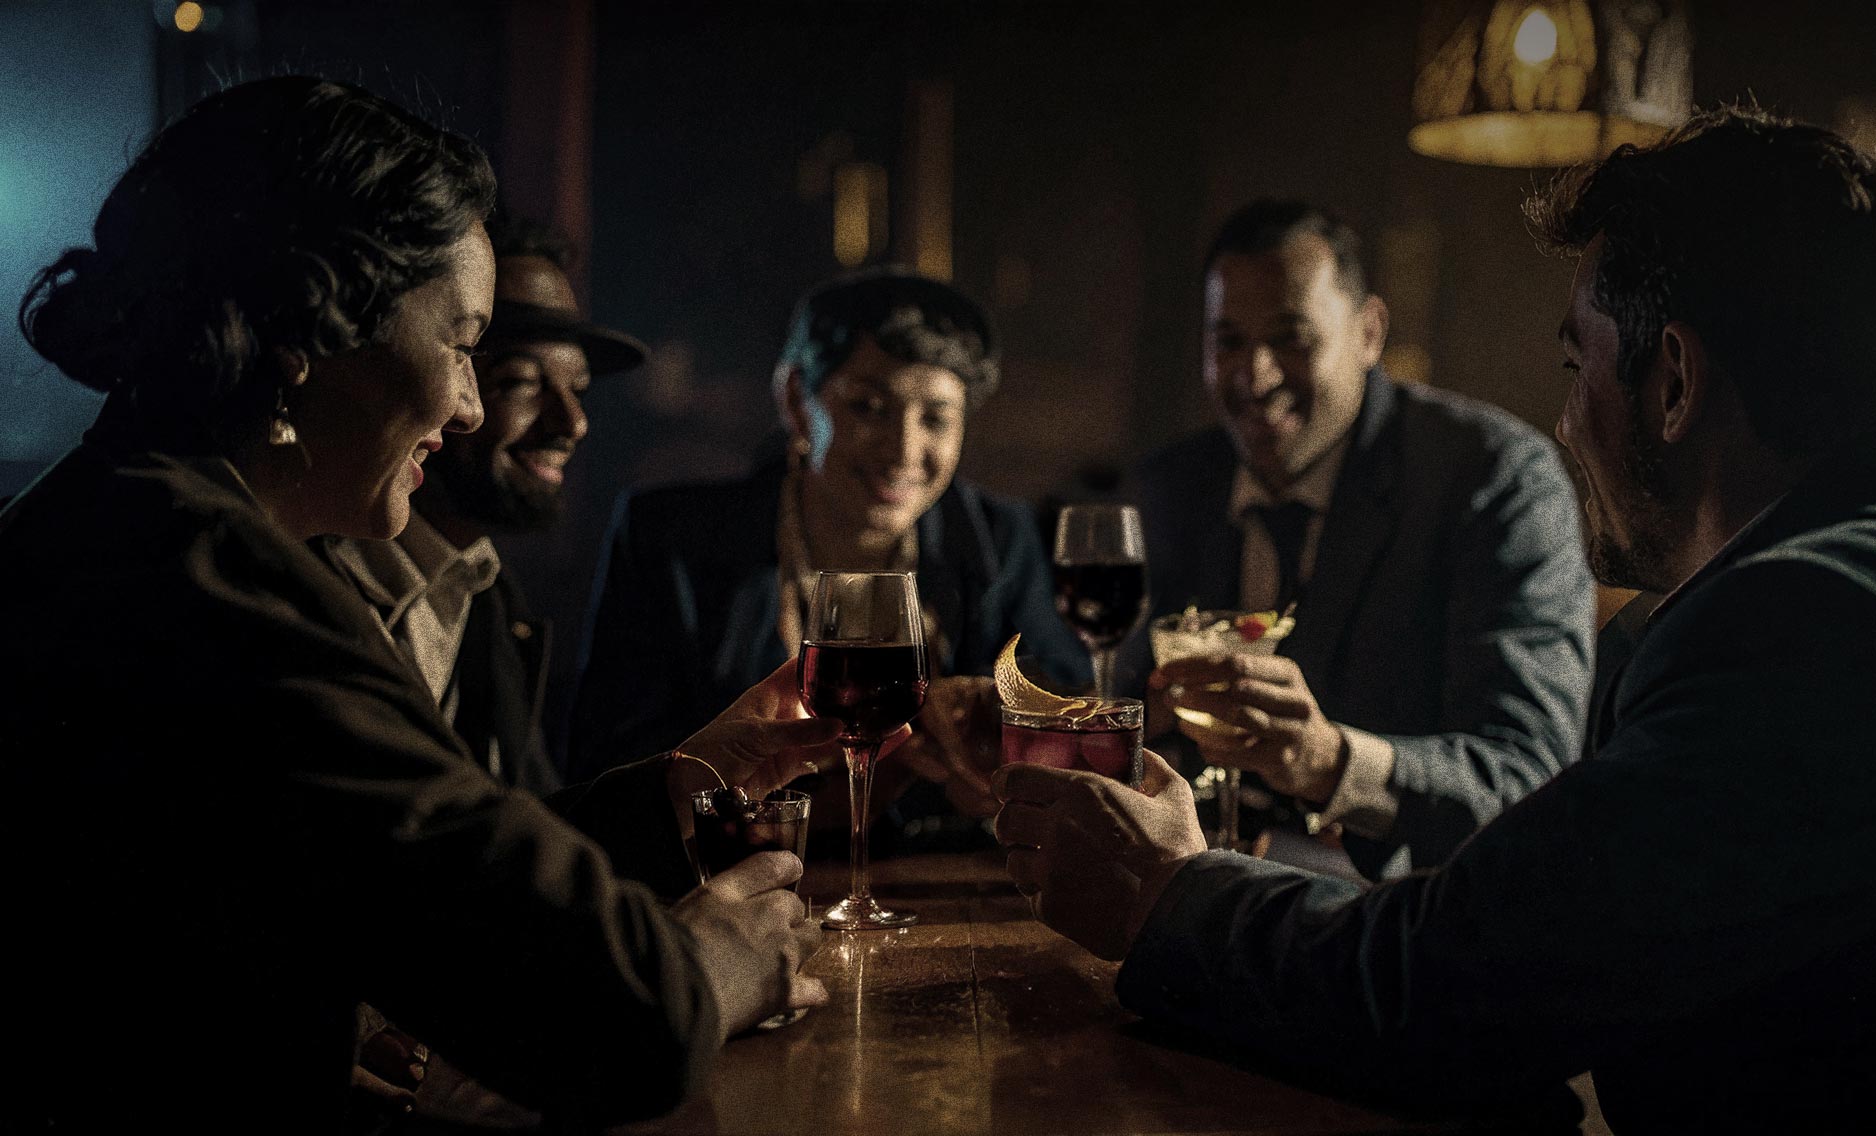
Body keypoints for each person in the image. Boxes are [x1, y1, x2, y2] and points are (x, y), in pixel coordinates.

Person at [995, 107, 1876, 1133]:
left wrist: (1165, 890)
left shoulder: (1800, 625)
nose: (1563, 415)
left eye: (1573, 364)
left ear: (1670, 381)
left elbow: (1447, 987)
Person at [0, 77, 836, 1130]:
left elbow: (411, 867)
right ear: (309, 327)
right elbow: (616, 1024)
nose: (473, 403)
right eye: (459, 340)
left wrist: (674, 789)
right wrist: (717, 959)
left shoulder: (111, 525)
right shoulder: (210, 588)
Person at [1128, 199, 1593, 878]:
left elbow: (1528, 774)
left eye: (1290, 337)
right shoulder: (1174, 486)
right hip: (1200, 901)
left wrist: (1328, 761)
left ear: (1370, 332)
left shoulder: (1492, 479)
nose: (1254, 376)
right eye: (1228, 342)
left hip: (1413, 922)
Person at [570, 268, 1089, 844]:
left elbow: (1067, 708)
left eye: (936, 418)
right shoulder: (669, 539)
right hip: (725, 885)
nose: (904, 450)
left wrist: (999, 737)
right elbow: (608, 770)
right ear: (796, 400)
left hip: (936, 886)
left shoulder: (999, 537)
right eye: (869, 407)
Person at [324, 217, 648, 795]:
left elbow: (532, 829)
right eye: (522, 382)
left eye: (578, 387)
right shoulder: (318, 581)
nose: (572, 423)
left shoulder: (489, 598)